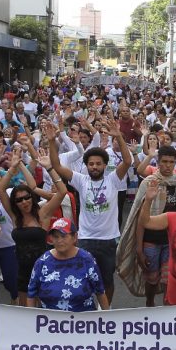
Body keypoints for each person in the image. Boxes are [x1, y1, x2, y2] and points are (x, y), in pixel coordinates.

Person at [26, 218, 109, 350]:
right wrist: (31, 321)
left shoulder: (87, 259)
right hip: (52, 328)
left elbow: (100, 290)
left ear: (75, 237)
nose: (59, 240)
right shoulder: (43, 262)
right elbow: (31, 292)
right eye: (55, 236)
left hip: (83, 326)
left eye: (64, 235)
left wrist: (108, 317)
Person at [49, 118, 132, 305]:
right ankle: (86, 308)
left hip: (108, 240)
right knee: (83, 279)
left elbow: (127, 161)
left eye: (98, 163)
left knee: (107, 280)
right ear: (86, 166)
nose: (94, 167)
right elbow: (56, 165)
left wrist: (118, 135)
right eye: (91, 164)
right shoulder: (80, 180)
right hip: (85, 239)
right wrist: (51, 142)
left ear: (105, 165)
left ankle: (105, 309)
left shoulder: (113, 180)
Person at [118, 145, 176, 307]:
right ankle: (150, 303)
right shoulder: (149, 183)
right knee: (151, 279)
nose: (168, 165)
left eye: (171, 162)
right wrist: (138, 248)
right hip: (150, 241)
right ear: (158, 162)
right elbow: (139, 217)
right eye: (164, 162)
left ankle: (166, 309)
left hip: (172, 241)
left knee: (169, 280)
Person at [0, 146, 68, 306]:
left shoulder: (43, 214)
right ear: (15, 203)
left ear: (32, 197)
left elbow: (62, 192)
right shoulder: (15, 217)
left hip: (44, 268)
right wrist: (14, 167)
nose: (24, 202)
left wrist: (49, 168)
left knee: (46, 310)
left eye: (27, 197)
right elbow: (0, 190)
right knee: (26, 312)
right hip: (23, 270)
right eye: (19, 200)